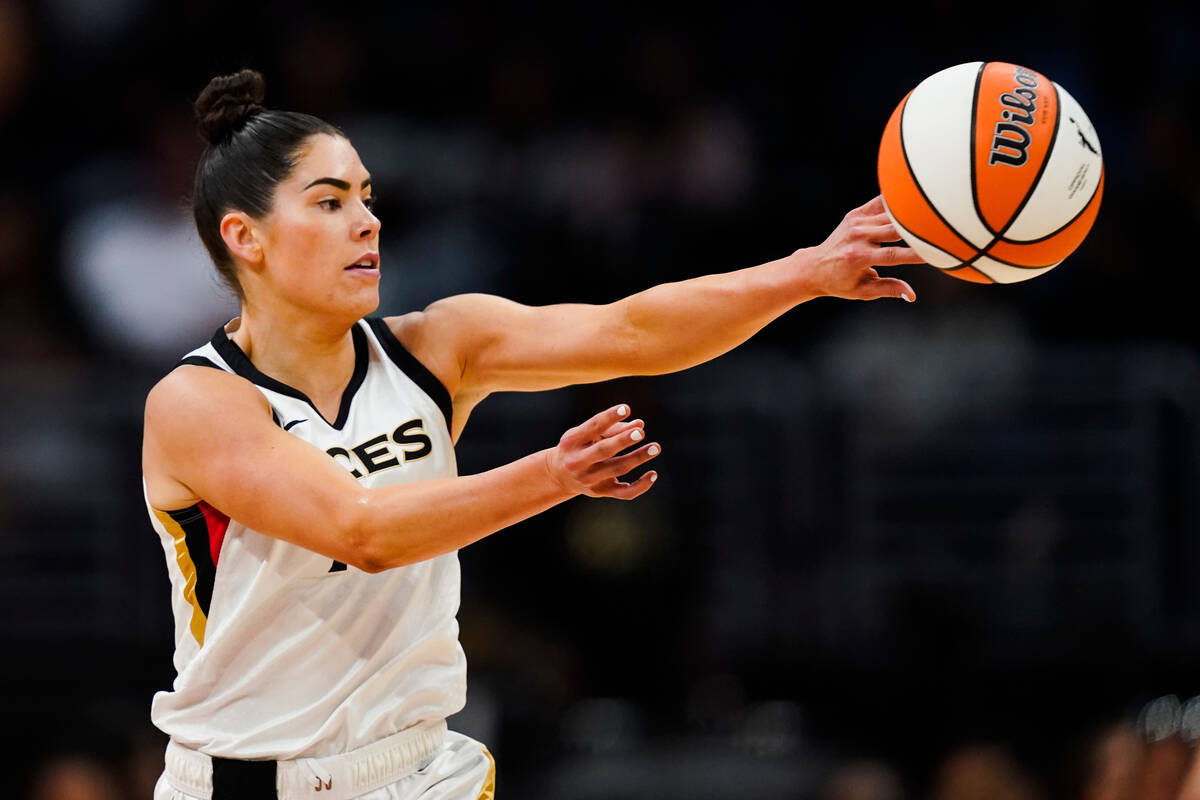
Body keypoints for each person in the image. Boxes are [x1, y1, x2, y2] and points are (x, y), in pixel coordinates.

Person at [142, 68, 922, 800]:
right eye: (330, 202)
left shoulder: (437, 346)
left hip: (421, 766)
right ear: (245, 237)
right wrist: (555, 476)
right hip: (252, 779)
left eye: (368, 197)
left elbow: (634, 332)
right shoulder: (199, 403)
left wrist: (804, 272)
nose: (368, 222)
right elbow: (362, 529)